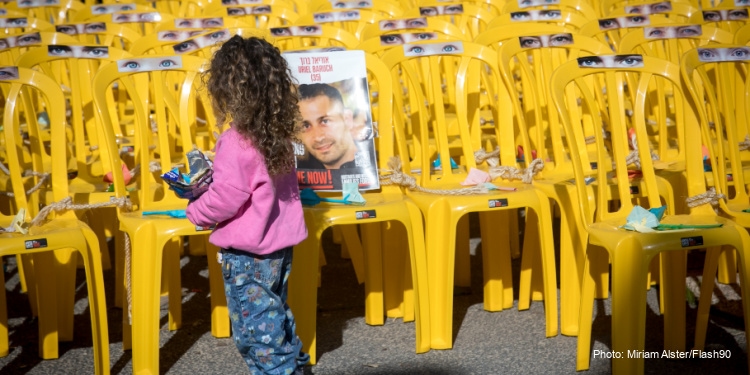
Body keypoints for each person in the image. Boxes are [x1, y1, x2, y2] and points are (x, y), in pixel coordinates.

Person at [185, 35, 309, 375]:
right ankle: (294, 368)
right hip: (279, 249)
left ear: (227, 90)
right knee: (277, 318)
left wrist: (195, 210)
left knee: (258, 335)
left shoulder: (235, 142)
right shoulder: (278, 134)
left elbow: (226, 199)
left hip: (248, 256)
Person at [296, 82, 374, 169]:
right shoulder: (298, 171)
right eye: (306, 126)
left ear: (347, 119)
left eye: (325, 121)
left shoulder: (379, 163)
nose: (318, 137)